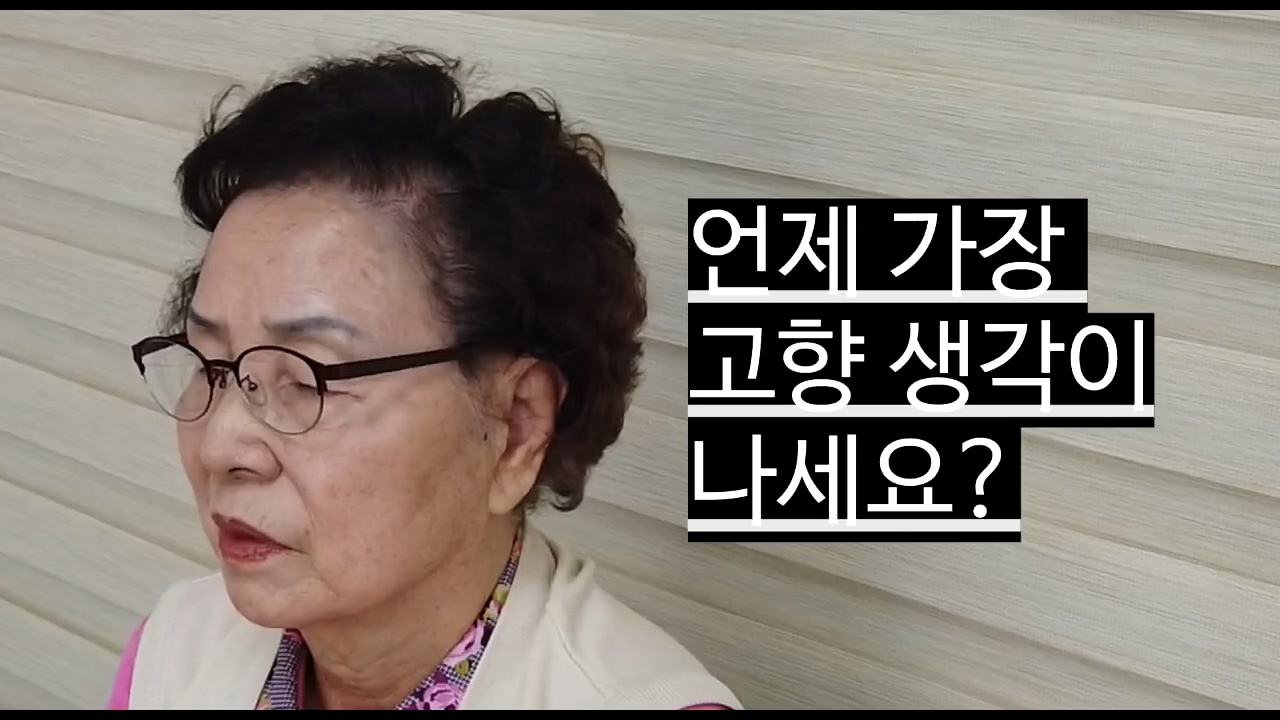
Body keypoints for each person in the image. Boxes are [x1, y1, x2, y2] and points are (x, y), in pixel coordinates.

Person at [106, 47, 740, 710]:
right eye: (211, 364)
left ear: (516, 426)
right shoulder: (172, 654)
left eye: (306, 378)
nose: (218, 447)